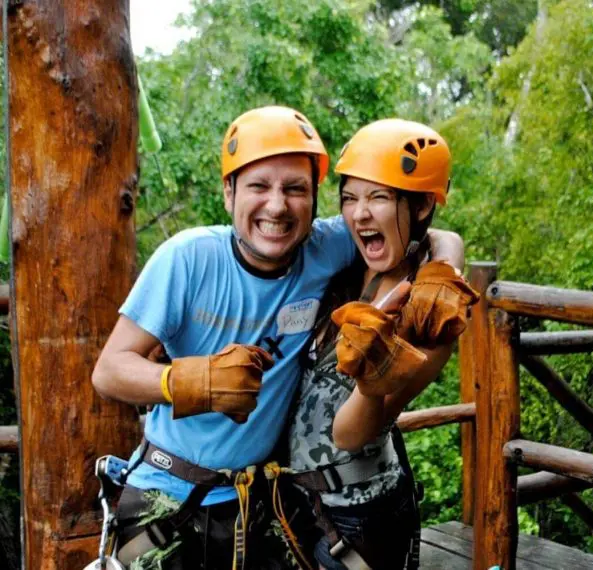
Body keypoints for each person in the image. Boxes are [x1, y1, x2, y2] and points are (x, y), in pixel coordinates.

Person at [91, 107, 464, 570]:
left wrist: (444, 269)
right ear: (228, 193)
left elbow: (428, 229)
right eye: (258, 186)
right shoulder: (187, 259)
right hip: (167, 499)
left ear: (312, 200)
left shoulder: (326, 247)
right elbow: (109, 371)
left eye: (295, 189)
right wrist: (193, 381)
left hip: (263, 510)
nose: (277, 206)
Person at [287, 119, 479, 570]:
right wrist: (449, 257)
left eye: (378, 197)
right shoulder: (356, 264)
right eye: (350, 197)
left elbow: (351, 433)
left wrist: (375, 375)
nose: (359, 214)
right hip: (303, 507)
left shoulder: (431, 315)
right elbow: (445, 237)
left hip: (360, 521)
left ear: (422, 205)